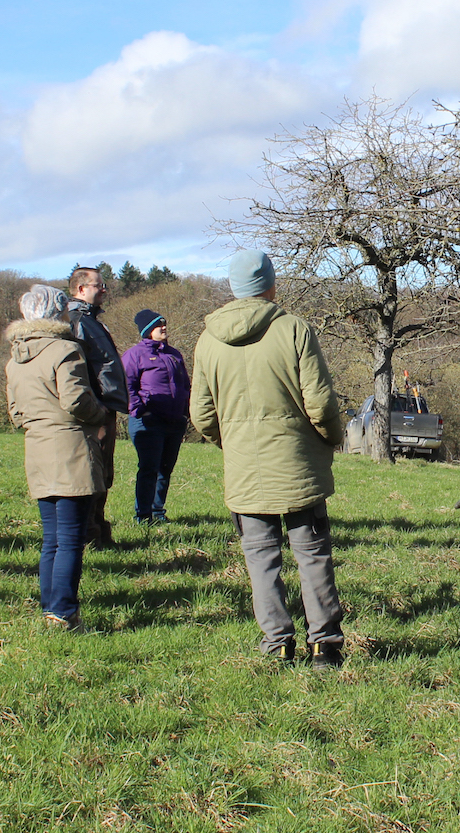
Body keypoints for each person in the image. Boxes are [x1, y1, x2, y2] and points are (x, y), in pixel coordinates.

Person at [189, 250, 348, 667]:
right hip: (298, 464)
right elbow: (320, 401)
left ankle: (277, 645)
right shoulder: (293, 329)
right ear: (270, 284)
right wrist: (332, 438)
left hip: (245, 468)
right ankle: (325, 647)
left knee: (260, 560)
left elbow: (202, 414)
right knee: (312, 554)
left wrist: (231, 442)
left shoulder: (207, 340)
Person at [5, 284, 109, 632]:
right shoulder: (65, 350)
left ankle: (51, 608)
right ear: (56, 313)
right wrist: (101, 415)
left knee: (51, 539)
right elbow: (77, 401)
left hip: (36, 449)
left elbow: (16, 413)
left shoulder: (15, 359)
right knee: (70, 539)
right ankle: (63, 613)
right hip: (70, 451)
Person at [65, 266, 128, 545]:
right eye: (98, 285)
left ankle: (98, 532)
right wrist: (96, 407)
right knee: (94, 474)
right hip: (95, 409)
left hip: (105, 406)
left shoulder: (92, 321)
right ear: (81, 289)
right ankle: (91, 535)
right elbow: (78, 368)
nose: (104, 289)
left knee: (104, 474)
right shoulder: (77, 321)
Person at [122, 306, 190, 524]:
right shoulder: (134, 355)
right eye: (158, 325)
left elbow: (185, 385)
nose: (164, 327)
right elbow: (127, 385)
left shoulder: (174, 355)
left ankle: (158, 512)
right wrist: (140, 410)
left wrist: (185, 412)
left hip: (174, 421)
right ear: (147, 330)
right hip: (148, 422)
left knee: (165, 469)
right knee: (149, 468)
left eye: (164, 323)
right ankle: (143, 515)